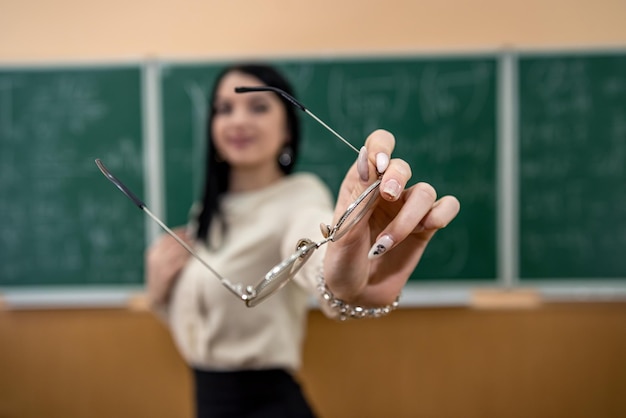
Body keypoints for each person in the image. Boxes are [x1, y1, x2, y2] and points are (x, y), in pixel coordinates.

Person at [145, 63, 460, 418]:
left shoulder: (299, 197)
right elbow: (207, 327)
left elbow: (314, 237)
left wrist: (340, 262)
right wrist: (159, 296)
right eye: (224, 108)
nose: (237, 120)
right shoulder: (205, 213)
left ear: (287, 131)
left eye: (258, 107)